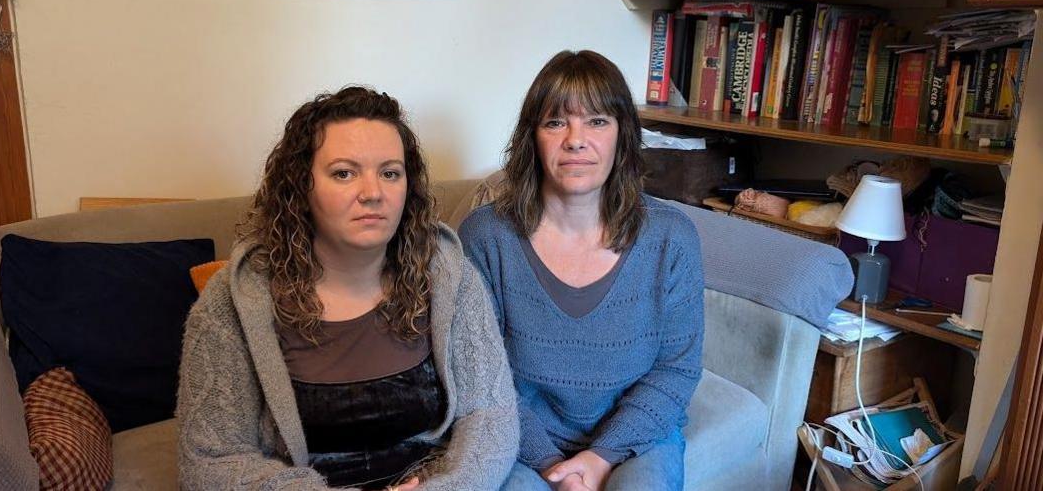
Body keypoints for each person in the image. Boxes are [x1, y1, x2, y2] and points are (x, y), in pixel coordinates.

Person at [178, 86, 518, 490]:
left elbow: (491, 415)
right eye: (344, 173)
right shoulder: (230, 303)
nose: (373, 193)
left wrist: (444, 488)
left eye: (390, 173)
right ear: (301, 188)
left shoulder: (450, 277)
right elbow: (211, 462)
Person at [458, 51, 705, 491]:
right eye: (556, 122)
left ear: (622, 136)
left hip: (639, 437)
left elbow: (675, 371)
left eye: (596, 121)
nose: (576, 140)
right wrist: (556, 467)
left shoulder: (671, 238)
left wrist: (600, 457)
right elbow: (481, 377)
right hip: (518, 437)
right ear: (532, 137)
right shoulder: (486, 237)